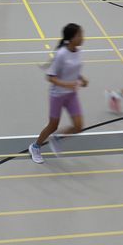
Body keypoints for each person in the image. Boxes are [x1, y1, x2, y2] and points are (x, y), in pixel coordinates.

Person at [29, 23, 87, 164]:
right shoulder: (61, 54)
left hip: (71, 95)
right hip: (57, 95)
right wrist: (67, 84)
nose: (82, 37)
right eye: (79, 35)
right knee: (53, 126)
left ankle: (57, 138)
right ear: (71, 38)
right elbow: (50, 77)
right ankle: (35, 147)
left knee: (78, 126)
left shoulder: (78, 52)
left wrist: (82, 78)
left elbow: (73, 69)